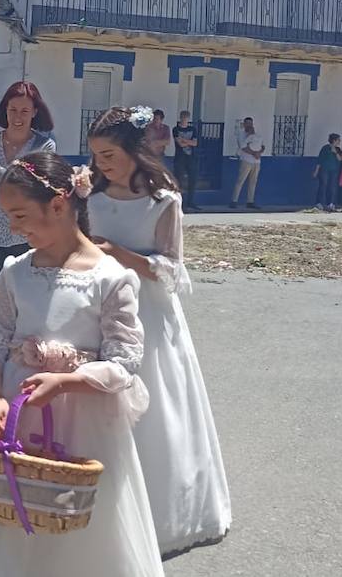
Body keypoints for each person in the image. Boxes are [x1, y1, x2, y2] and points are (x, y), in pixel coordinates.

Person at [0, 151, 162, 577]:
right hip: (23, 415)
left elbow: (125, 361)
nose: (14, 228)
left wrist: (68, 381)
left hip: (87, 418)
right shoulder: (15, 272)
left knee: (86, 525)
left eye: (20, 216)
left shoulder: (111, 278)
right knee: (22, 517)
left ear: (58, 204)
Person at [86, 106, 232, 557]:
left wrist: (122, 254)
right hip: (101, 308)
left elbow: (172, 271)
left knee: (156, 405)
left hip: (149, 312)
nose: (101, 165)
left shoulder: (163, 200)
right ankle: (100, 506)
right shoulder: (90, 196)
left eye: (109, 155)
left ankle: (162, 512)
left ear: (133, 150)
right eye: (95, 157)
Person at [0, 81, 57, 300]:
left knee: (25, 303)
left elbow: (29, 186)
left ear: (35, 112)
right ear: (5, 110)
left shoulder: (44, 147)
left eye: (24, 111)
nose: (17, 117)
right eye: (13, 109)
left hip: (26, 237)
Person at [229, 116, 265, 210]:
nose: (249, 125)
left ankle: (250, 201)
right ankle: (234, 200)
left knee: (253, 182)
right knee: (240, 180)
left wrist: (259, 153)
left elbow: (262, 146)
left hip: (256, 161)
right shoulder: (241, 135)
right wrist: (253, 153)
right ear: (244, 124)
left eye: (251, 123)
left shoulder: (257, 135)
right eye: (247, 123)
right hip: (246, 160)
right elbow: (243, 147)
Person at [172, 110, 200, 210]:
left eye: (186, 118)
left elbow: (195, 143)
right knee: (179, 180)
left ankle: (191, 202)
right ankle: (181, 203)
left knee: (192, 179)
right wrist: (189, 141)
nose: (185, 120)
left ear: (188, 119)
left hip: (191, 157)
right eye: (183, 117)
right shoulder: (175, 129)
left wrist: (184, 140)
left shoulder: (193, 129)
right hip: (180, 158)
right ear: (180, 118)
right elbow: (180, 144)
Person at [313, 133, 342, 211]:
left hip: (334, 171)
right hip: (324, 170)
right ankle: (319, 203)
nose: (339, 141)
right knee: (323, 185)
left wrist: (335, 152)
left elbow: (340, 159)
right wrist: (316, 171)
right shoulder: (325, 148)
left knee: (332, 186)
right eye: (338, 140)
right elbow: (320, 160)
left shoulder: (338, 149)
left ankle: (330, 203)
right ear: (334, 140)